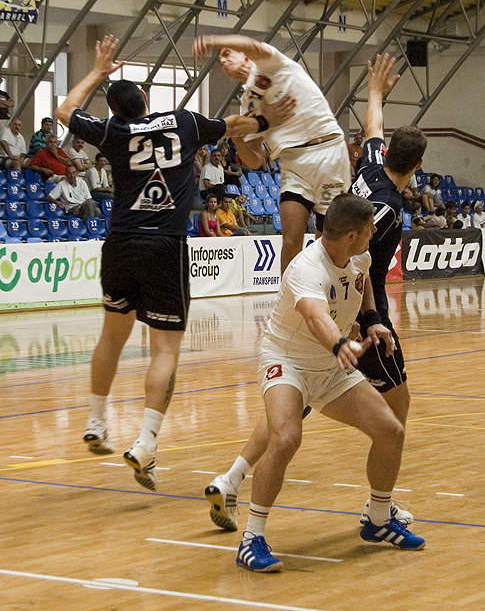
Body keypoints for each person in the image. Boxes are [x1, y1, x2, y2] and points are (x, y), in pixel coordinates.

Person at [55, 35, 293, 492]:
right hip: (164, 246)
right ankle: (146, 442)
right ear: (146, 98)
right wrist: (269, 117)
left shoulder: (114, 132)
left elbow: (65, 111)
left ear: (115, 110)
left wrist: (97, 70)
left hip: (120, 242)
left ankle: (96, 421)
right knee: (164, 350)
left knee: (111, 336)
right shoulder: (183, 122)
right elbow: (234, 125)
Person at [205, 55, 427, 534]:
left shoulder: (370, 166)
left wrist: (374, 92)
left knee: (295, 404)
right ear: (418, 166)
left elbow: (372, 129)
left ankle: (231, 478)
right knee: (396, 409)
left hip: (344, 300)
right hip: (356, 308)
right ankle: (381, 506)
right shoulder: (383, 213)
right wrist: (363, 323)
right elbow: (354, 263)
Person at [232, 193, 425, 572]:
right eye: (369, 229)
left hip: (330, 368)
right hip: (287, 362)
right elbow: (315, 316)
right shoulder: (307, 268)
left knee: (391, 431)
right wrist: (339, 343)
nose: (374, 233)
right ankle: (251, 538)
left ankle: (379, 519)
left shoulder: (359, 256)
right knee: (286, 438)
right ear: (351, 235)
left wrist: (372, 319)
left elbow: (363, 283)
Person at [192, 34, 350, 275]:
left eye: (227, 53)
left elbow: (253, 45)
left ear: (245, 54)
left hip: (327, 151)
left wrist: (213, 40)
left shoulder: (273, 64)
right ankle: (287, 296)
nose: (222, 60)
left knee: (328, 241)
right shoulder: (248, 103)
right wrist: (238, 137)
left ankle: (331, 293)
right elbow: (255, 160)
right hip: (292, 163)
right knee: (291, 240)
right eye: (220, 57)